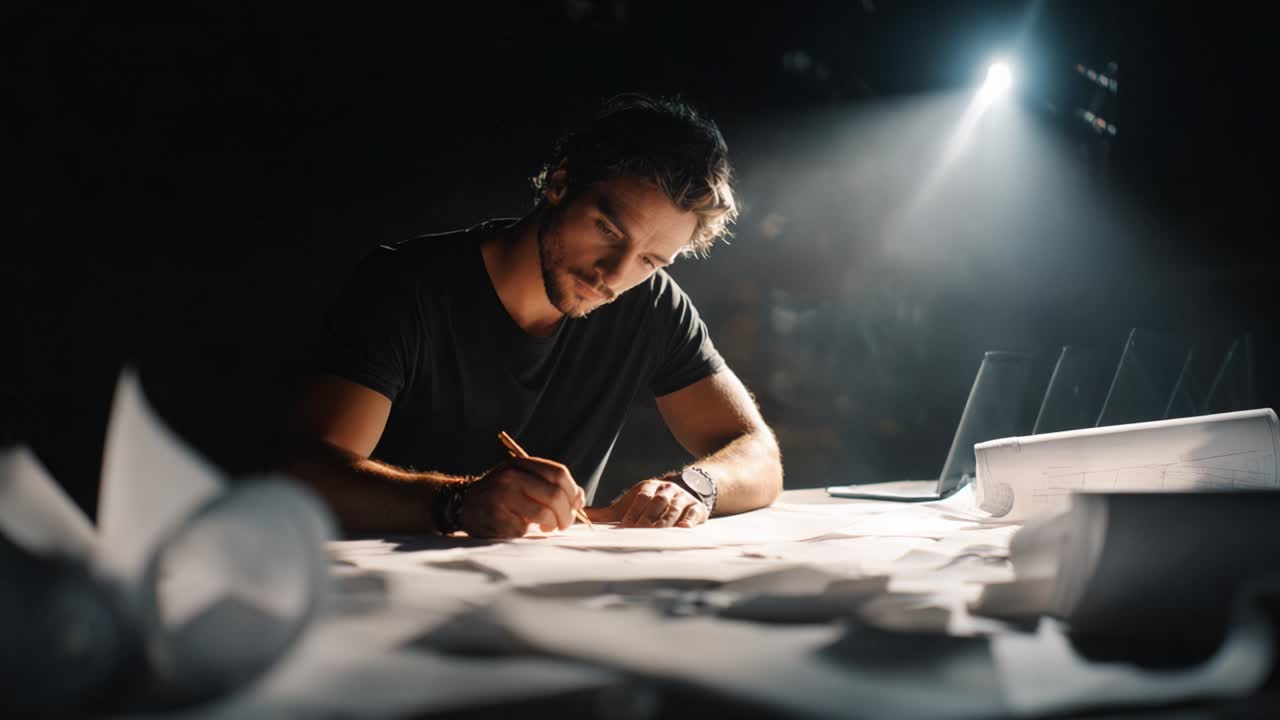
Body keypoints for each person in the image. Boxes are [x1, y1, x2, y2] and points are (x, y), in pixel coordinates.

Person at [277, 94, 783, 538]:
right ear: (560, 182)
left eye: (650, 260)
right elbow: (303, 472)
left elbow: (758, 452)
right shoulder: (407, 286)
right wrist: (458, 502)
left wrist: (694, 486)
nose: (614, 273)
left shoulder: (650, 303)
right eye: (608, 230)